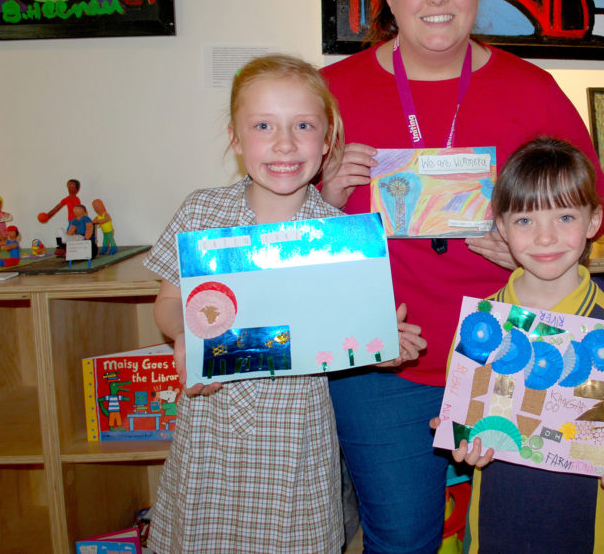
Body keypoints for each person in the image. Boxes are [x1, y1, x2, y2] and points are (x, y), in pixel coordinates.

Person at [319, 0, 604, 553]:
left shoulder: (531, 89)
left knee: (523, 537)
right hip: (383, 363)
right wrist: (326, 189)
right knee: (402, 540)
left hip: (511, 354)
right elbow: (277, 231)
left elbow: (599, 204)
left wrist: (524, 233)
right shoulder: (329, 92)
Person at [142, 54, 425, 553]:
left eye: (303, 125)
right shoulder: (202, 212)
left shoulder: (338, 239)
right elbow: (167, 302)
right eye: (263, 125)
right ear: (235, 137)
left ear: (328, 138)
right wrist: (183, 333)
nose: (284, 143)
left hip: (296, 442)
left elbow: (349, 337)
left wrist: (383, 345)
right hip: (213, 432)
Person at [434, 136, 604, 553]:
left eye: (564, 217)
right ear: (501, 227)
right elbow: (467, 419)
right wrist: (462, 441)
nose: (544, 238)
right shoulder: (482, 325)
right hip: (497, 520)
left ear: (593, 221)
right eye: (525, 221)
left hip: (590, 523)